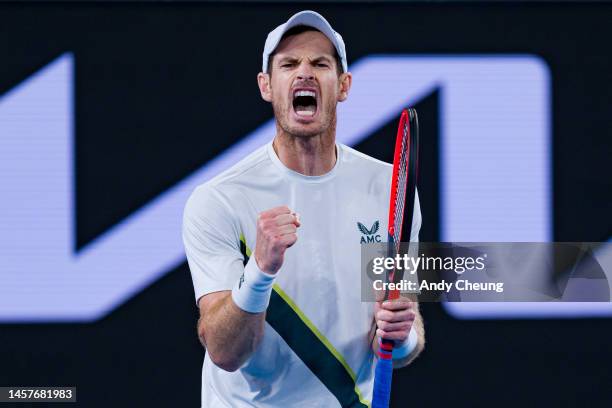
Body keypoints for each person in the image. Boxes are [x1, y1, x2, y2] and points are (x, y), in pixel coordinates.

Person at [182, 10, 425, 407]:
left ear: (343, 85)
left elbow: (402, 330)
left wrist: (403, 336)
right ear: (266, 85)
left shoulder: (389, 188)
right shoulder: (219, 199)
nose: (305, 73)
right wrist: (259, 270)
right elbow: (224, 352)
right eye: (289, 64)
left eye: (320, 63)